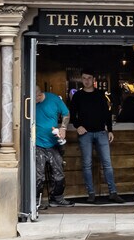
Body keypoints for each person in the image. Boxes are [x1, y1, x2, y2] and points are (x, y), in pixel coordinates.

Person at [68, 72, 117, 203]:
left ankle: (113, 192)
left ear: (94, 80)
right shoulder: (77, 96)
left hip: (101, 132)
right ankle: (91, 193)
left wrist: (110, 130)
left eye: (89, 78)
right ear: (81, 80)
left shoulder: (101, 94)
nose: (87, 81)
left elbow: (107, 113)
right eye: (84, 78)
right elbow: (72, 114)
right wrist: (78, 125)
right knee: (87, 164)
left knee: (107, 164)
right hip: (85, 134)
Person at [32, 82, 71, 209]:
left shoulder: (53, 99)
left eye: (36, 98)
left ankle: (57, 198)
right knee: (39, 174)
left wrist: (63, 127)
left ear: (39, 94)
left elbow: (66, 113)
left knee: (58, 170)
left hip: (53, 143)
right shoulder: (30, 103)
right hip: (37, 143)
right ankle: (35, 202)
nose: (35, 100)